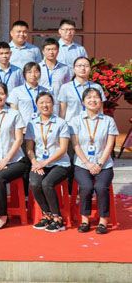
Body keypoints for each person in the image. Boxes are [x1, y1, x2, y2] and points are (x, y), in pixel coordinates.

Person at [0, 82, 29, 229]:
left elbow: (19, 139)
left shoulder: (14, 114)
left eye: (1, 94)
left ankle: (2, 216)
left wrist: (6, 160)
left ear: (6, 95)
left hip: (16, 160)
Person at [70, 88, 117, 234]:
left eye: (96, 97)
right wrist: (88, 163)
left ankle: (103, 221)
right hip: (82, 164)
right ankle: (85, 220)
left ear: (101, 101)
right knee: (86, 187)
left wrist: (100, 163)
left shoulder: (108, 121)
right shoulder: (76, 121)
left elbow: (109, 145)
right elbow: (76, 145)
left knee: (101, 187)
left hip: (104, 164)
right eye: (89, 97)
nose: (93, 100)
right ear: (83, 102)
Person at [25, 91, 71, 233]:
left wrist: (44, 163)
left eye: (48, 102)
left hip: (60, 164)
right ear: (37, 105)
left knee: (47, 183)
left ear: (53, 104)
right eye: (41, 103)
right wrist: (35, 162)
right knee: (34, 183)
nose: (45, 105)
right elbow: (29, 148)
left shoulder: (61, 123)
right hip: (39, 163)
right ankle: (47, 215)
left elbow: (63, 149)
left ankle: (58, 219)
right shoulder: (32, 124)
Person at [58, 57, 106, 122]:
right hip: (72, 125)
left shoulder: (97, 87)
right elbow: (62, 112)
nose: (83, 68)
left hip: (92, 124)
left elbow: (100, 110)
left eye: (86, 66)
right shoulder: (65, 87)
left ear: (90, 69)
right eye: (79, 66)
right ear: (74, 69)